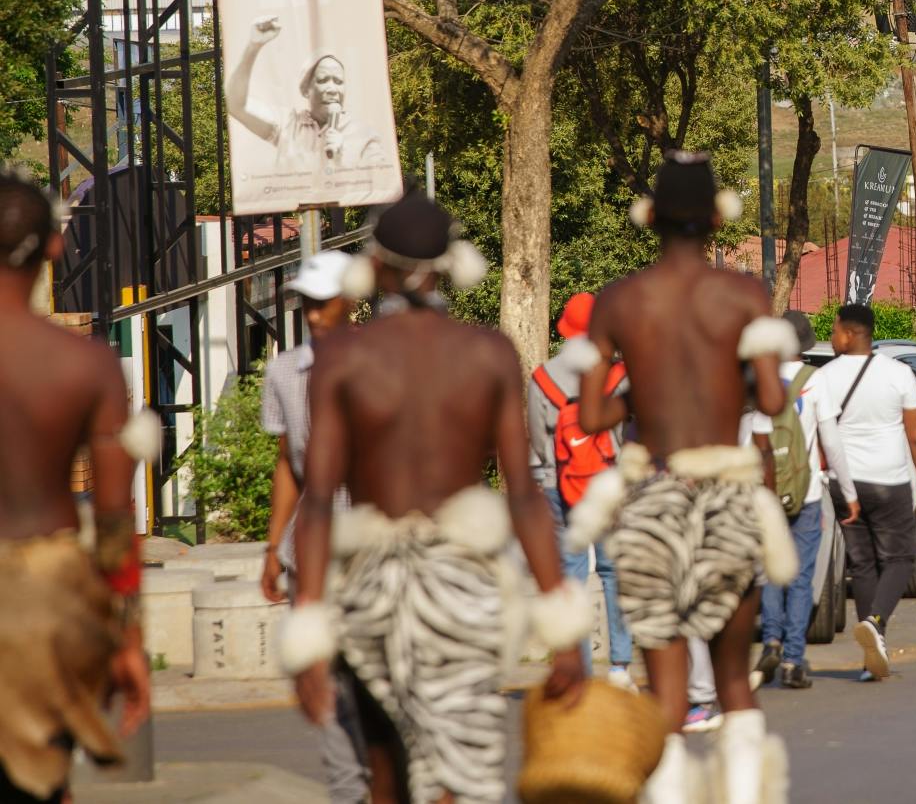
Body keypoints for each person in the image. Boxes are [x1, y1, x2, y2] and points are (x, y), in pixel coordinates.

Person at [283, 192, 587, 804]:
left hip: (372, 589)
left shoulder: (343, 357)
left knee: (386, 772)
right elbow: (524, 495)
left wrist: (308, 629)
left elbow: (317, 500)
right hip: (465, 591)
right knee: (457, 772)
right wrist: (562, 628)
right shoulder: (487, 354)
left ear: (375, 263)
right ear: (450, 264)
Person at [567, 151, 798, 802]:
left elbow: (591, 412)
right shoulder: (744, 294)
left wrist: (646, 395)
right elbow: (774, 402)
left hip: (651, 501)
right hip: (726, 495)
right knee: (732, 682)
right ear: (715, 221)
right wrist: (729, 383)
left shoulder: (619, 300)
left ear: (651, 218)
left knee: (665, 688)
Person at [0, 173, 151, 803]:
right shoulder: (85, 365)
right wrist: (129, 638)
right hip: (49, 600)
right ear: (55, 248)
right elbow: (116, 519)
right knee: (42, 777)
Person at [258, 250, 368, 803]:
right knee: (323, 680)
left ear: (350, 302)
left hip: (374, 546)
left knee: (377, 681)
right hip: (312, 548)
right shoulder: (284, 371)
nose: (315, 315)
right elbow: (287, 464)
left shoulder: (380, 363)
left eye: (324, 303)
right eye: (307, 304)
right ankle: (350, 791)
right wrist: (273, 546)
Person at [804, 302, 916, 683]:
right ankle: (876, 623)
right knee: (899, 558)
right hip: (889, 480)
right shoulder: (899, 374)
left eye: (835, 330)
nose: (831, 336)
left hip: (847, 485)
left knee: (861, 564)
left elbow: (822, 433)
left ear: (851, 333)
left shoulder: (824, 377)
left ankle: (872, 651)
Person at [527, 291, 635, 689]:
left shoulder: (542, 378)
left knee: (571, 577)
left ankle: (580, 672)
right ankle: (621, 665)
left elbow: (538, 444)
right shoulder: (619, 376)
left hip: (560, 485)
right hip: (608, 481)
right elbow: (625, 432)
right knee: (614, 572)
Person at [752, 310, 850, 692]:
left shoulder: (762, 381)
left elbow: (757, 439)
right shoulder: (816, 380)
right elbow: (832, 440)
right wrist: (848, 490)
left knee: (771, 573)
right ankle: (794, 659)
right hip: (807, 493)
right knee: (800, 577)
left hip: (766, 494)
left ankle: (771, 641)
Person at [225, 16, 386, 173]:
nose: (332, 89)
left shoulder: (365, 137)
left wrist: (341, 163)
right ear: (306, 89)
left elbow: (381, 189)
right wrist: (253, 46)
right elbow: (235, 105)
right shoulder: (288, 124)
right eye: (323, 80)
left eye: (338, 82)